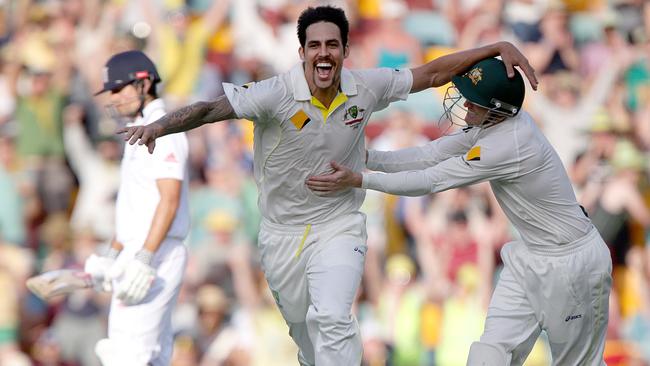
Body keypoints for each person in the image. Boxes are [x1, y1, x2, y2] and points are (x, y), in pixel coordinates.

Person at [118, 6, 537, 366]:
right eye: (314, 45)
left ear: (344, 52)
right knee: (305, 334)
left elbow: (430, 73)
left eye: (332, 45)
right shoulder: (275, 93)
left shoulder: (366, 86)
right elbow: (211, 108)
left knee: (334, 318)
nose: (324, 52)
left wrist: (493, 47)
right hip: (281, 234)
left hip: (339, 225)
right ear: (302, 52)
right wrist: (159, 126)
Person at [305, 57, 612, 365]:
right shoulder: (493, 125)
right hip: (529, 256)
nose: (465, 108)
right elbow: (428, 155)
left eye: (474, 104)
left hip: (572, 264)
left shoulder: (508, 144)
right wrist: (363, 157)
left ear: (497, 110)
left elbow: (430, 179)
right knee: (489, 352)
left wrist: (359, 179)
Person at [84, 50, 190, 366]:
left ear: (144, 84)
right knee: (147, 356)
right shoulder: (140, 128)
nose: (113, 98)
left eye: (119, 89)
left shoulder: (163, 127)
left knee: (128, 357)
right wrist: (111, 255)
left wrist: (145, 258)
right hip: (140, 252)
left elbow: (169, 199)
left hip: (155, 254)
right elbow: (135, 208)